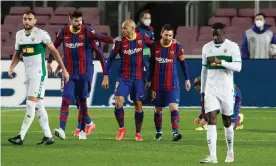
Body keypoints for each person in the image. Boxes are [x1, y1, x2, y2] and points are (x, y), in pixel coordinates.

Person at [47, 10, 118, 140]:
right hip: (69, 73)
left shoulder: (88, 33)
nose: (79, 23)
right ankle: (62, 129)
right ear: (70, 19)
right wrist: (51, 62)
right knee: (67, 98)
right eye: (76, 20)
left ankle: (83, 127)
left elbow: (101, 43)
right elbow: (54, 47)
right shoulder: (63, 32)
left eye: (80, 20)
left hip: (84, 73)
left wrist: (114, 40)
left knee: (82, 101)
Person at [7, 11, 69, 145]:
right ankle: (48, 137)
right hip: (28, 75)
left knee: (30, 104)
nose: (27, 21)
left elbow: (54, 51)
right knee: (39, 105)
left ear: (35, 21)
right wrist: (12, 67)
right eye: (25, 19)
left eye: (29, 19)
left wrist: (63, 69)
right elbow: (17, 53)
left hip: (39, 74)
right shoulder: (19, 35)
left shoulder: (41, 34)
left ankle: (20, 136)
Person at [102, 19, 152, 141]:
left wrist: (172, 42)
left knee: (138, 104)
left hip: (138, 77)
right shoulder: (119, 42)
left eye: (125, 28)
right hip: (124, 77)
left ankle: (138, 132)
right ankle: (121, 128)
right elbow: (110, 59)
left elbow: (154, 45)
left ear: (132, 29)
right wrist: (105, 75)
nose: (122, 30)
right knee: (118, 102)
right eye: (122, 28)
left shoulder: (142, 37)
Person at [200, 22, 242, 164]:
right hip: (211, 89)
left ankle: (230, 151)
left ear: (224, 33)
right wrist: (202, 90)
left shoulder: (232, 47)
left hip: (226, 89)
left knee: (227, 122)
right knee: (211, 119)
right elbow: (204, 70)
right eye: (213, 33)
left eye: (218, 33)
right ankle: (213, 156)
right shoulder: (206, 48)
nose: (215, 36)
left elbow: (238, 67)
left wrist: (221, 62)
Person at [147, 24, 191, 141]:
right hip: (157, 83)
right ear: (161, 33)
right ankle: (158, 132)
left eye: (170, 35)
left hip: (172, 83)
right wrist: (149, 80)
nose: (168, 37)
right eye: (166, 35)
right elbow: (151, 64)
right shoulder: (154, 46)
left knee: (173, 107)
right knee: (158, 109)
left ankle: (175, 133)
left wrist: (187, 79)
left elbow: (183, 63)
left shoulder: (177, 47)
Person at [53, 40, 104, 137]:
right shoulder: (72, 40)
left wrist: (105, 73)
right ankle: (88, 123)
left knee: (81, 100)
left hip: (85, 73)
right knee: (76, 100)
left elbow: (100, 54)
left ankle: (81, 128)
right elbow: (68, 57)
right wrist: (59, 67)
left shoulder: (89, 39)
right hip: (71, 72)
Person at [136, 10, 155, 105]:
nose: (148, 20)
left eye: (149, 18)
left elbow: (152, 43)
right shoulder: (137, 29)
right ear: (141, 19)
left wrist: (148, 41)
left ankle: (147, 100)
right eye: (146, 18)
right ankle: (140, 99)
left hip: (148, 57)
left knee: (149, 78)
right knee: (141, 78)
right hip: (140, 57)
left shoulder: (151, 30)